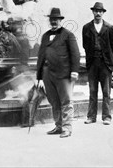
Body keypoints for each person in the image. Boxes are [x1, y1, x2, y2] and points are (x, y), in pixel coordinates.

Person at [36, 8, 80, 138]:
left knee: (66, 101)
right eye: (52, 19)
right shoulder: (45, 36)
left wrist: (74, 71)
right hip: (48, 74)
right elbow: (41, 55)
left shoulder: (68, 35)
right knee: (54, 101)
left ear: (61, 20)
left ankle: (67, 128)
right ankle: (59, 126)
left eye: (56, 19)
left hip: (64, 74)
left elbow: (75, 54)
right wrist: (39, 76)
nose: (54, 21)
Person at [82, 1, 113, 125]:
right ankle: (91, 116)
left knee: (106, 92)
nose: (98, 13)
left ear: (103, 13)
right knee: (92, 91)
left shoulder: (109, 28)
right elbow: (85, 46)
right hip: (93, 63)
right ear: (93, 12)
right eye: (96, 11)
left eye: (100, 11)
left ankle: (106, 117)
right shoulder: (87, 28)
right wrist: (89, 61)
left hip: (105, 64)